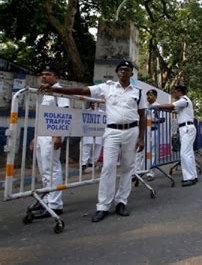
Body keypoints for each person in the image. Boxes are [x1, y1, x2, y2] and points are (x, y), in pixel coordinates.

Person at [39, 60, 146, 222]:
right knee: (108, 167)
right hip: (112, 131)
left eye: (127, 69)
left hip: (132, 131)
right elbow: (82, 90)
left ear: (132, 73)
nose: (124, 72)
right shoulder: (106, 87)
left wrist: (141, 137)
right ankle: (103, 206)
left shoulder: (138, 92)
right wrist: (54, 89)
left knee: (127, 168)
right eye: (121, 69)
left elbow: (143, 115)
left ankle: (121, 202)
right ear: (117, 72)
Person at [29, 65, 70, 218]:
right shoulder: (45, 92)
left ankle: (55, 205)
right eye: (42, 74)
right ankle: (47, 199)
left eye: (48, 74)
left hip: (52, 135)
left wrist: (58, 135)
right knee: (44, 170)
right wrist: (36, 136)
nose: (44, 76)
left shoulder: (59, 90)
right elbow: (43, 117)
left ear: (56, 77)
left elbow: (63, 113)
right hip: (42, 135)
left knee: (52, 169)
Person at [151, 85, 198, 187]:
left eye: (174, 92)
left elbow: (171, 106)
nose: (173, 94)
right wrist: (160, 108)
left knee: (185, 153)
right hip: (185, 128)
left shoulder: (184, 100)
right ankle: (193, 176)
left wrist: (157, 106)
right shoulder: (183, 102)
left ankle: (190, 177)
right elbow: (172, 110)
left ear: (179, 91)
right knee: (188, 153)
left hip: (186, 128)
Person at [134, 89, 159, 181]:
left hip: (153, 130)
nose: (149, 97)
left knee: (151, 152)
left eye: (151, 95)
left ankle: (150, 172)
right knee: (140, 151)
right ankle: (137, 172)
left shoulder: (157, 106)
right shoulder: (144, 106)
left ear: (155, 97)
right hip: (144, 132)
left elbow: (157, 119)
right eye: (147, 95)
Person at [81, 102, 103, 173]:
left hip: (98, 134)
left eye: (96, 103)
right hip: (88, 134)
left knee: (96, 150)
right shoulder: (86, 112)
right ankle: (83, 165)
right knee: (86, 149)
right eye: (92, 103)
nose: (94, 104)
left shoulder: (102, 113)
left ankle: (92, 164)